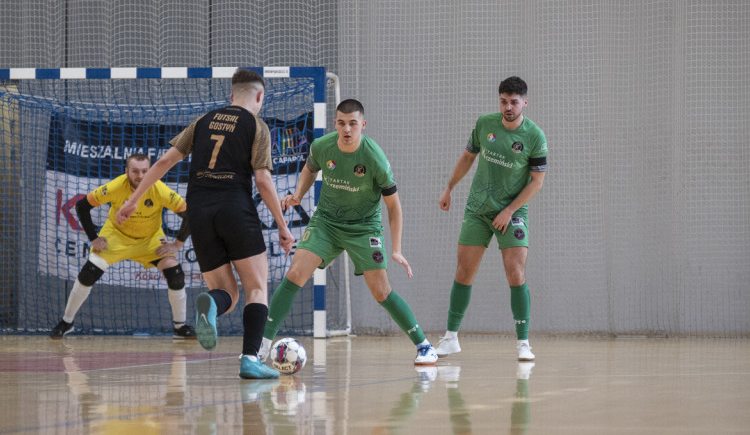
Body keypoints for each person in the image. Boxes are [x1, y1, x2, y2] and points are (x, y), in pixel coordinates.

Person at [116, 69, 295, 379]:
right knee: (255, 289)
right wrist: (282, 225)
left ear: (230, 96)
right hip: (234, 208)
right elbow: (263, 180)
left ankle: (209, 305)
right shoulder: (257, 126)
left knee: (226, 292)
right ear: (259, 96)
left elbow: (162, 163)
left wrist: (132, 201)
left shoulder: (202, 121)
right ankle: (250, 360)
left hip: (198, 212)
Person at [257, 99, 438, 365]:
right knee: (295, 273)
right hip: (327, 223)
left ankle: (424, 345)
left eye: (353, 123)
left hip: (364, 228)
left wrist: (396, 248)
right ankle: (261, 346)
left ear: (362, 125)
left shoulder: (374, 156)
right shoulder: (323, 146)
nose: (347, 129)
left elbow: (394, 206)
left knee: (381, 292)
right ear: (335, 124)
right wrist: (297, 195)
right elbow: (310, 167)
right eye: (342, 123)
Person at [437, 76, 547, 361]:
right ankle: (450, 338)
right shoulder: (485, 124)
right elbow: (467, 157)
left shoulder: (535, 136)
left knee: (516, 273)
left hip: (512, 212)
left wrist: (509, 210)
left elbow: (536, 182)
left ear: (525, 102)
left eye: (514, 102)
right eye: (503, 101)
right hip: (478, 208)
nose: (508, 107)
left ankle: (523, 343)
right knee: (464, 271)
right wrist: (450, 187)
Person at [49, 153, 196, 339]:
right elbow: (82, 206)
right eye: (135, 171)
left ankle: (180, 327)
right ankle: (67, 321)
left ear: (150, 171)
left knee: (175, 274)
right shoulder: (116, 186)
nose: (140, 176)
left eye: (144, 171)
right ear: (126, 171)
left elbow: (189, 214)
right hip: (116, 237)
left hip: (149, 240)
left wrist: (177, 244)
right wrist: (94, 238)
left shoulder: (160, 190)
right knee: (89, 272)